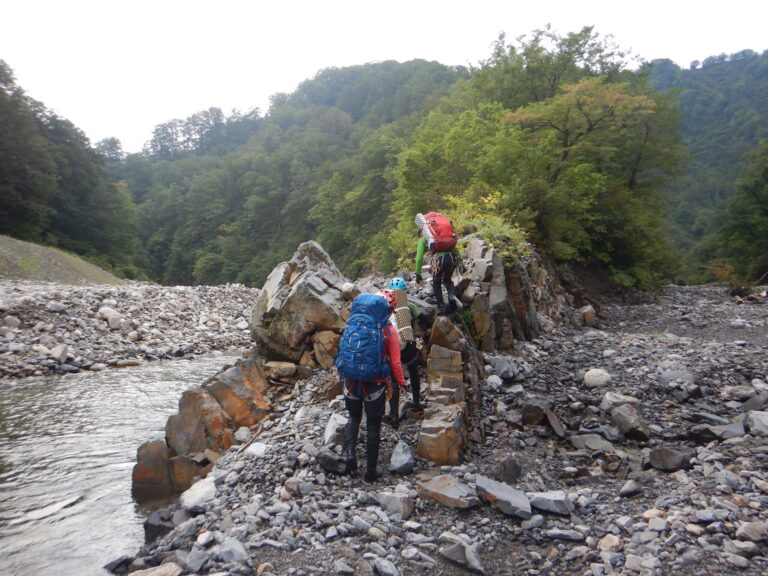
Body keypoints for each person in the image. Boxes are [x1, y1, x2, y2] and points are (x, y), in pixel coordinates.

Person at [340, 290, 406, 483]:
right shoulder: (388, 331)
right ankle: (370, 472)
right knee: (373, 424)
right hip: (374, 386)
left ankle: (350, 456)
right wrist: (401, 383)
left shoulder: (352, 325)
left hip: (350, 382)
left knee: (353, 417)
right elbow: (395, 363)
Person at [387, 277, 423, 417]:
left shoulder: (387, 307)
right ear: (404, 292)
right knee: (414, 372)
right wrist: (419, 346)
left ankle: (394, 415)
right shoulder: (410, 306)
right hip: (409, 346)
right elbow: (423, 321)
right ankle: (416, 403)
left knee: (393, 380)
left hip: (392, 347)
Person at [414, 213, 459, 316]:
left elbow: (419, 257)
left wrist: (418, 273)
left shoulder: (423, 238)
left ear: (421, 231)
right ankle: (451, 297)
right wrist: (460, 263)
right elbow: (455, 248)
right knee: (447, 280)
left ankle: (442, 308)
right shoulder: (442, 236)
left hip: (438, 260)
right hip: (451, 258)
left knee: (436, 282)